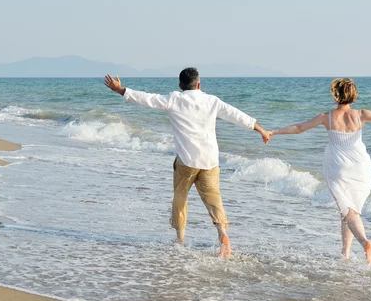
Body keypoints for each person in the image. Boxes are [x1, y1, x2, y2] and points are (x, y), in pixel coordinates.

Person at [104, 68, 270, 258]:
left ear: (180, 86)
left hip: (187, 162)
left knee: (180, 198)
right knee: (213, 198)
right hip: (210, 161)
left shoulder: (174, 99)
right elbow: (237, 116)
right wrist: (261, 130)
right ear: (199, 85)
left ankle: (180, 241)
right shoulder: (212, 101)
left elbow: (147, 99)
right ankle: (222, 234)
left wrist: (120, 90)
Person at [267, 78, 371, 264]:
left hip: (338, 166)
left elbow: (299, 128)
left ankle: (364, 243)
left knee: (348, 211)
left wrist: (273, 132)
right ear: (354, 95)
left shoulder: (327, 116)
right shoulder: (360, 114)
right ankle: (345, 254)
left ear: (335, 94)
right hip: (361, 166)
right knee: (348, 210)